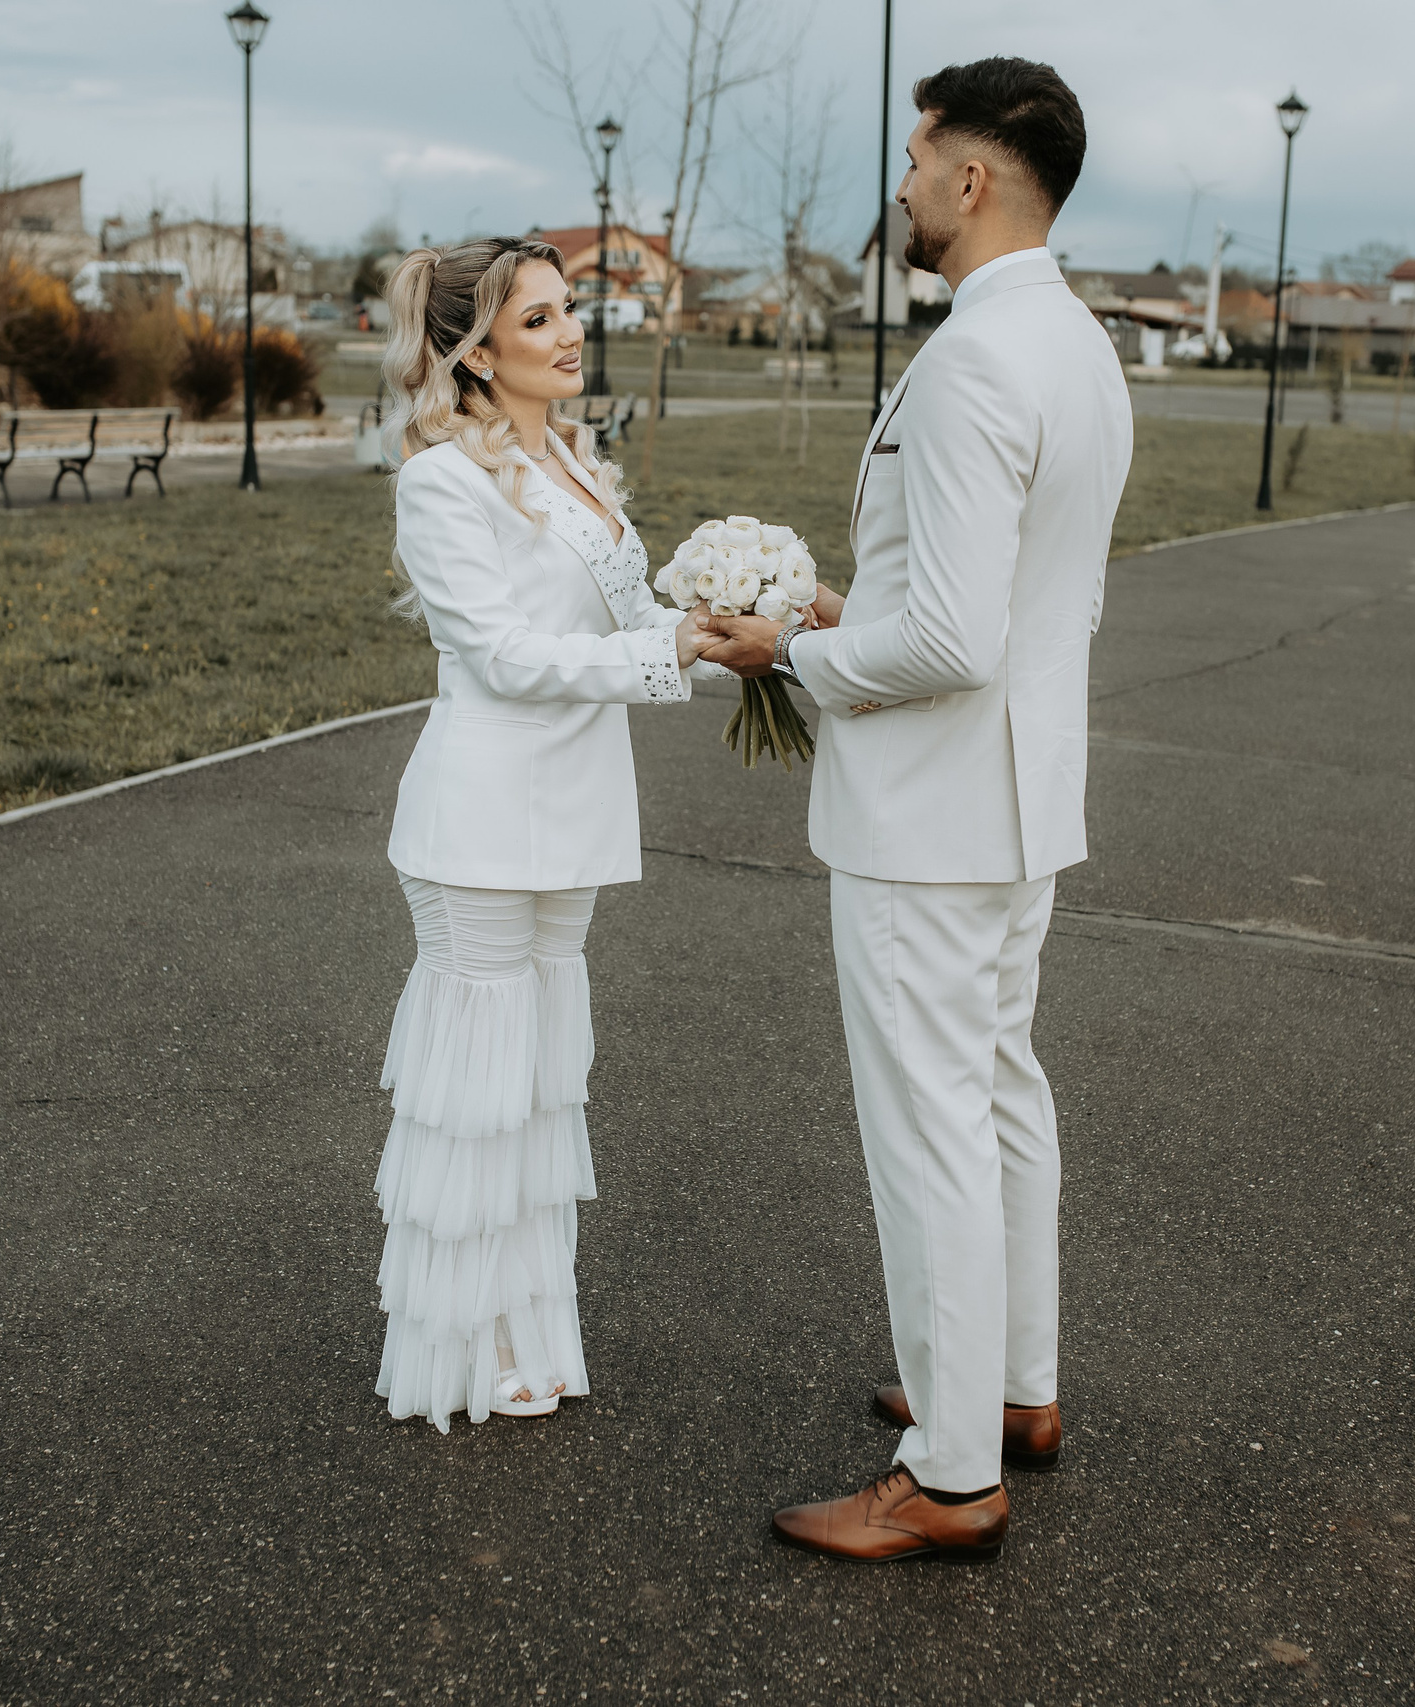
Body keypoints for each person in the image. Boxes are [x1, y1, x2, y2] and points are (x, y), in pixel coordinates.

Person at [698, 57, 1133, 1560]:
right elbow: (996, 603)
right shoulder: (1078, 346)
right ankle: (1012, 1388)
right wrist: (848, 600)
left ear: (973, 178)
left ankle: (949, 1474)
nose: (901, 182)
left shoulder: (971, 363)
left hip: (930, 820)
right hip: (1019, 804)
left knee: (930, 1128)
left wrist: (790, 648)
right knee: (1002, 1094)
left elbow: (946, 644)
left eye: (917, 154)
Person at [373, 238, 716, 1431]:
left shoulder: (574, 455)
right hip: (480, 813)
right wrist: (662, 650)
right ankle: (462, 1348)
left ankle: (532, 1327)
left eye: (569, 311)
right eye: (537, 321)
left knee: (538, 1086)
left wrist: (733, 614)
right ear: (472, 352)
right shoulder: (439, 484)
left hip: (573, 806)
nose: (570, 333)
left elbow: (625, 619)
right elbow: (504, 659)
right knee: (480, 1087)